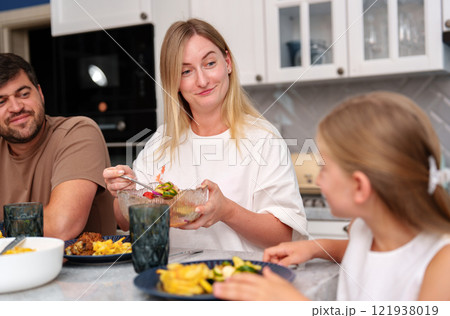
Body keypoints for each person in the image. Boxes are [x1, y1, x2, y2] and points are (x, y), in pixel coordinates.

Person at [213, 91, 450, 301]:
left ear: (359, 187)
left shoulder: (441, 267)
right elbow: (365, 253)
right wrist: (316, 247)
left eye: (324, 168)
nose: (317, 180)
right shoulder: (363, 228)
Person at [103, 18, 308, 252]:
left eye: (210, 63)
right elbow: (124, 222)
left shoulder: (263, 138)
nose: (202, 81)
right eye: (186, 71)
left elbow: (283, 237)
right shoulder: (162, 141)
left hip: (239, 281)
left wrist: (227, 211)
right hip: (171, 282)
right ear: (175, 82)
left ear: (227, 62)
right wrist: (126, 194)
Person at [0, 53, 116, 241]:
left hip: (85, 270)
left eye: (23, 94)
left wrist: (4, 228)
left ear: (40, 93)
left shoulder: (77, 132)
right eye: (1, 101)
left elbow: (62, 225)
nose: (16, 107)